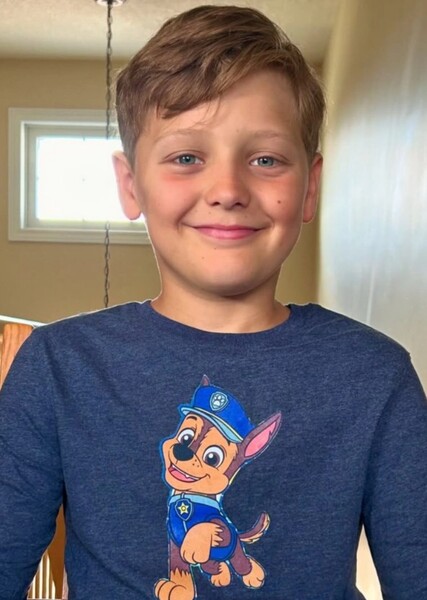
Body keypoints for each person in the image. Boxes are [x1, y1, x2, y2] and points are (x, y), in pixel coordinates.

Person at [0, 5, 426, 600]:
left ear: (310, 186)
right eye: (186, 158)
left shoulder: (377, 375)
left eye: (265, 160)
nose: (227, 190)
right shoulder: (56, 366)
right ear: (130, 184)